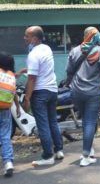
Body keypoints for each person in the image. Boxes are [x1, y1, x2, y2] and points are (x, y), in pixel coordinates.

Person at [66, 27, 100, 167]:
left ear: (85, 36)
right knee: (90, 122)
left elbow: (68, 71)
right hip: (93, 93)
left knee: (86, 120)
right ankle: (85, 155)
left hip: (76, 91)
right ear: (96, 37)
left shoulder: (75, 51)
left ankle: (89, 148)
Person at [20, 26, 64, 166]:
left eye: (27, 35)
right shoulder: (46, 48)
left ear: (34, 38)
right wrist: (25, 70)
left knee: (43, 124)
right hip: (52, 90)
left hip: (40, 92)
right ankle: (59, 150)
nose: (24, 38)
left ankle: (47, 156)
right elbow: (42, 67)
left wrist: (27, 98)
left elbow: (32, 79)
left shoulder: (33, 54)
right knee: (52, 121)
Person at [0, 52, 20, 177]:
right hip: (5, 109)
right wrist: (18, 106)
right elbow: (14, 94)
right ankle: (8, 163)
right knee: (5, 136)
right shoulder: (11, 76)